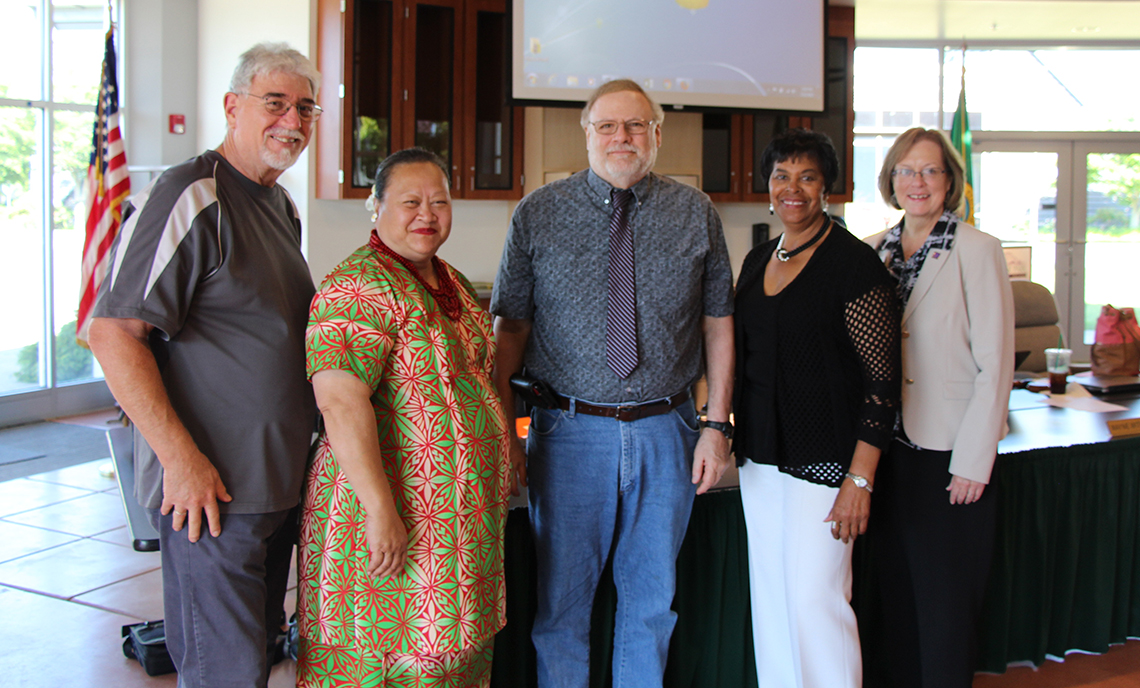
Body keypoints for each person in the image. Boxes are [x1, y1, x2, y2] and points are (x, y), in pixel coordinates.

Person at [88, 42, 321, 687]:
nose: (292, 121)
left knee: (254, 660)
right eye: (274, 103)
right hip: (211, 492)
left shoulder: (282, 207)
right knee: (226, 671)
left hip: (275, 487)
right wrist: (180, 461)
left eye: (306, 107)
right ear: (232, 106)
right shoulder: (193, 193)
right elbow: (113, 333)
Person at [491, 79, 735, 688]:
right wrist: (502, 434)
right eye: (607, 126)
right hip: (568, 434)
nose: (621, 138)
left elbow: (719, 327)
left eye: (635, 126)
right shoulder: (538, 213)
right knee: (562, 612)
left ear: (657, 134)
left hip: (667, 432)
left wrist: (716, 427)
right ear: (587, 133)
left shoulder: (696, 212)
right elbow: (509, 330)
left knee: (652, 607)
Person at [296, 148, 511, 688]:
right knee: (390, 655)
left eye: (439, 201)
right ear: (375, 205)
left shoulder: (453, 281)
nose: (427, 214)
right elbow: (340, 402)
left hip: (458, 527)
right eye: (410, 201)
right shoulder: (355, 287)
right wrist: (379, 510)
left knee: (451, 658)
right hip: (392, 514)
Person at [732, 128, 901, 688]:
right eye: (782, 176)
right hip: (761, 459)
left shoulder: (855, 267)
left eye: (807, 177)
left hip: (828, 463)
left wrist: (860, 479)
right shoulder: (758, 259)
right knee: (773, 598)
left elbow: (883, 383)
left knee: (816, 601)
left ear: (827, 186)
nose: (792, 189)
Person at [865, 127, 1015, 688]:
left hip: (950, 453)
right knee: (897, 594)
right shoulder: (873, 247)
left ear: (949, 180)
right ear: (891, 180)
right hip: (889, 449)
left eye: (930, 171)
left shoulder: (978, 249)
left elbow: (996, 362)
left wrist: (974, 460)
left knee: (946, 605)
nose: (917, 182)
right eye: (906, 170)